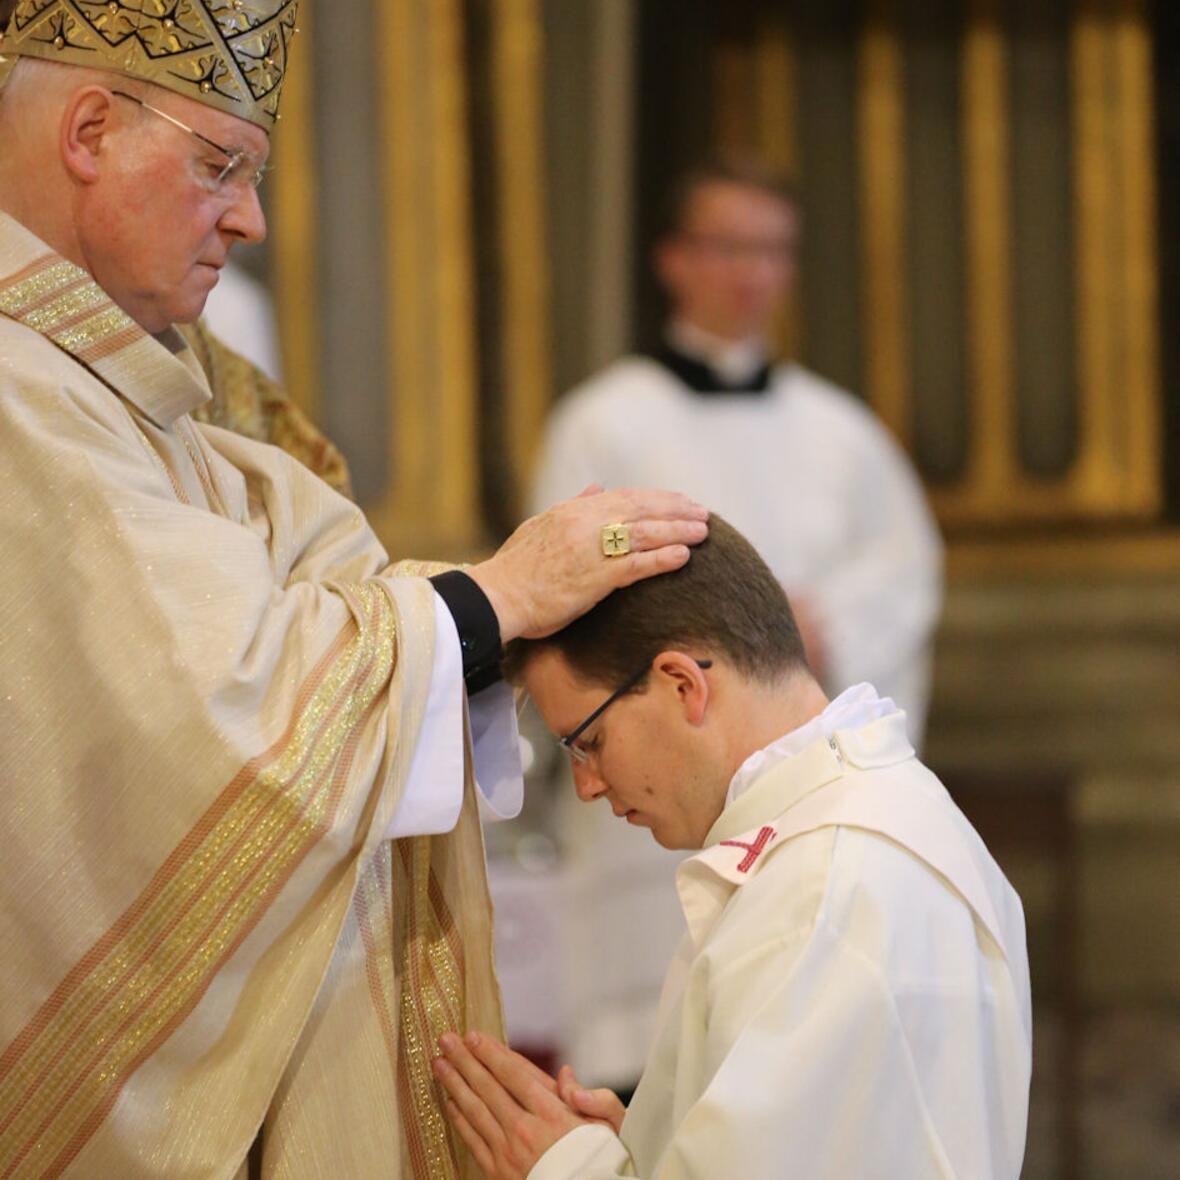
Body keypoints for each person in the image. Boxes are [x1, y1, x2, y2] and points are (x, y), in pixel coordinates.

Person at [0, 4, 708, 1176]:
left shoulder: (131, 397)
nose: (250, 218)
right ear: (87, 132)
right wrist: (497, 598)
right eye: (219, 165)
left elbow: (281, 600)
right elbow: (211, 725)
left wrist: (481, 620)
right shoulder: (27, 401)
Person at [433, 517, 1032, 1180]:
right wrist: (655, 1140)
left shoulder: (825, 887)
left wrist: (565, 1168)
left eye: (588, 742)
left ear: (682, 684)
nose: (586, 786)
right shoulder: (869, 821)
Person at [529, 159, 944, 1094]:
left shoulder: (843, 432)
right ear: (673, 260)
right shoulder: (601, 423)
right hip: (653, 818)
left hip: (797, 798)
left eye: (771, 251)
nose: (750, 273)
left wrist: (808, 625)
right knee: (653, 1078)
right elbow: (561, 592)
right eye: (727, 247)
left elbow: (905, 577)